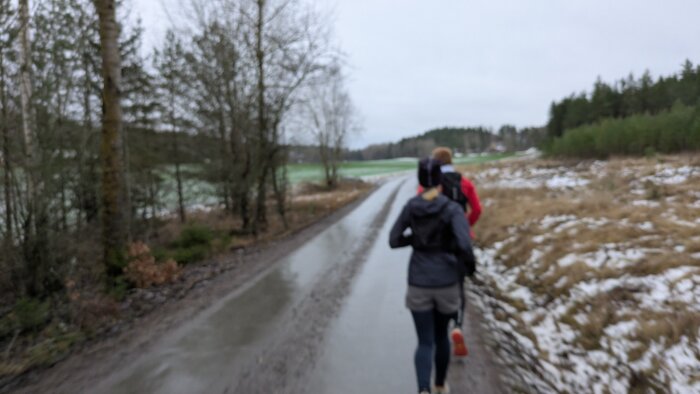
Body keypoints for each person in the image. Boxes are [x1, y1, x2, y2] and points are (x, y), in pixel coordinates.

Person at [389, 158, 477, 394]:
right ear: (440, 182)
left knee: (425, 341)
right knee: (441, 337)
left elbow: (394, 240)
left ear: (420, 180)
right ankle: (439, 385)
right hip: (446, 282)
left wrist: (416, 240)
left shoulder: (411, 207)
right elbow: (464, 244)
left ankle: (423, 389)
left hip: (418, 282)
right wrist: (468, 267)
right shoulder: (452, 208)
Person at [417, 147, 482, 357]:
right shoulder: (464, 182)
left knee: (438, 284)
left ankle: (439, 330)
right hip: (461, 242)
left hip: (437, 244)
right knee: (459, 285)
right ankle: (458, 325)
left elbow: (420, 209)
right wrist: (465, 225)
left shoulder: (430, 186)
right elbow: (477, 209)